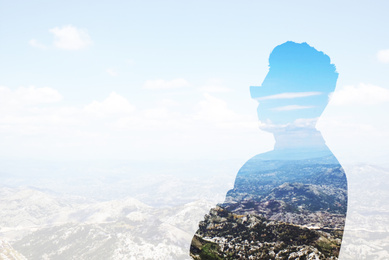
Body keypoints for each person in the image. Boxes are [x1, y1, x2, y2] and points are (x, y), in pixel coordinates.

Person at [190, 41, 347, 259]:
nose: (260, 102)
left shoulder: (329, 177)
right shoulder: (254, 167)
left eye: (272, 94)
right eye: (260, 93)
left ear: (311, 103)